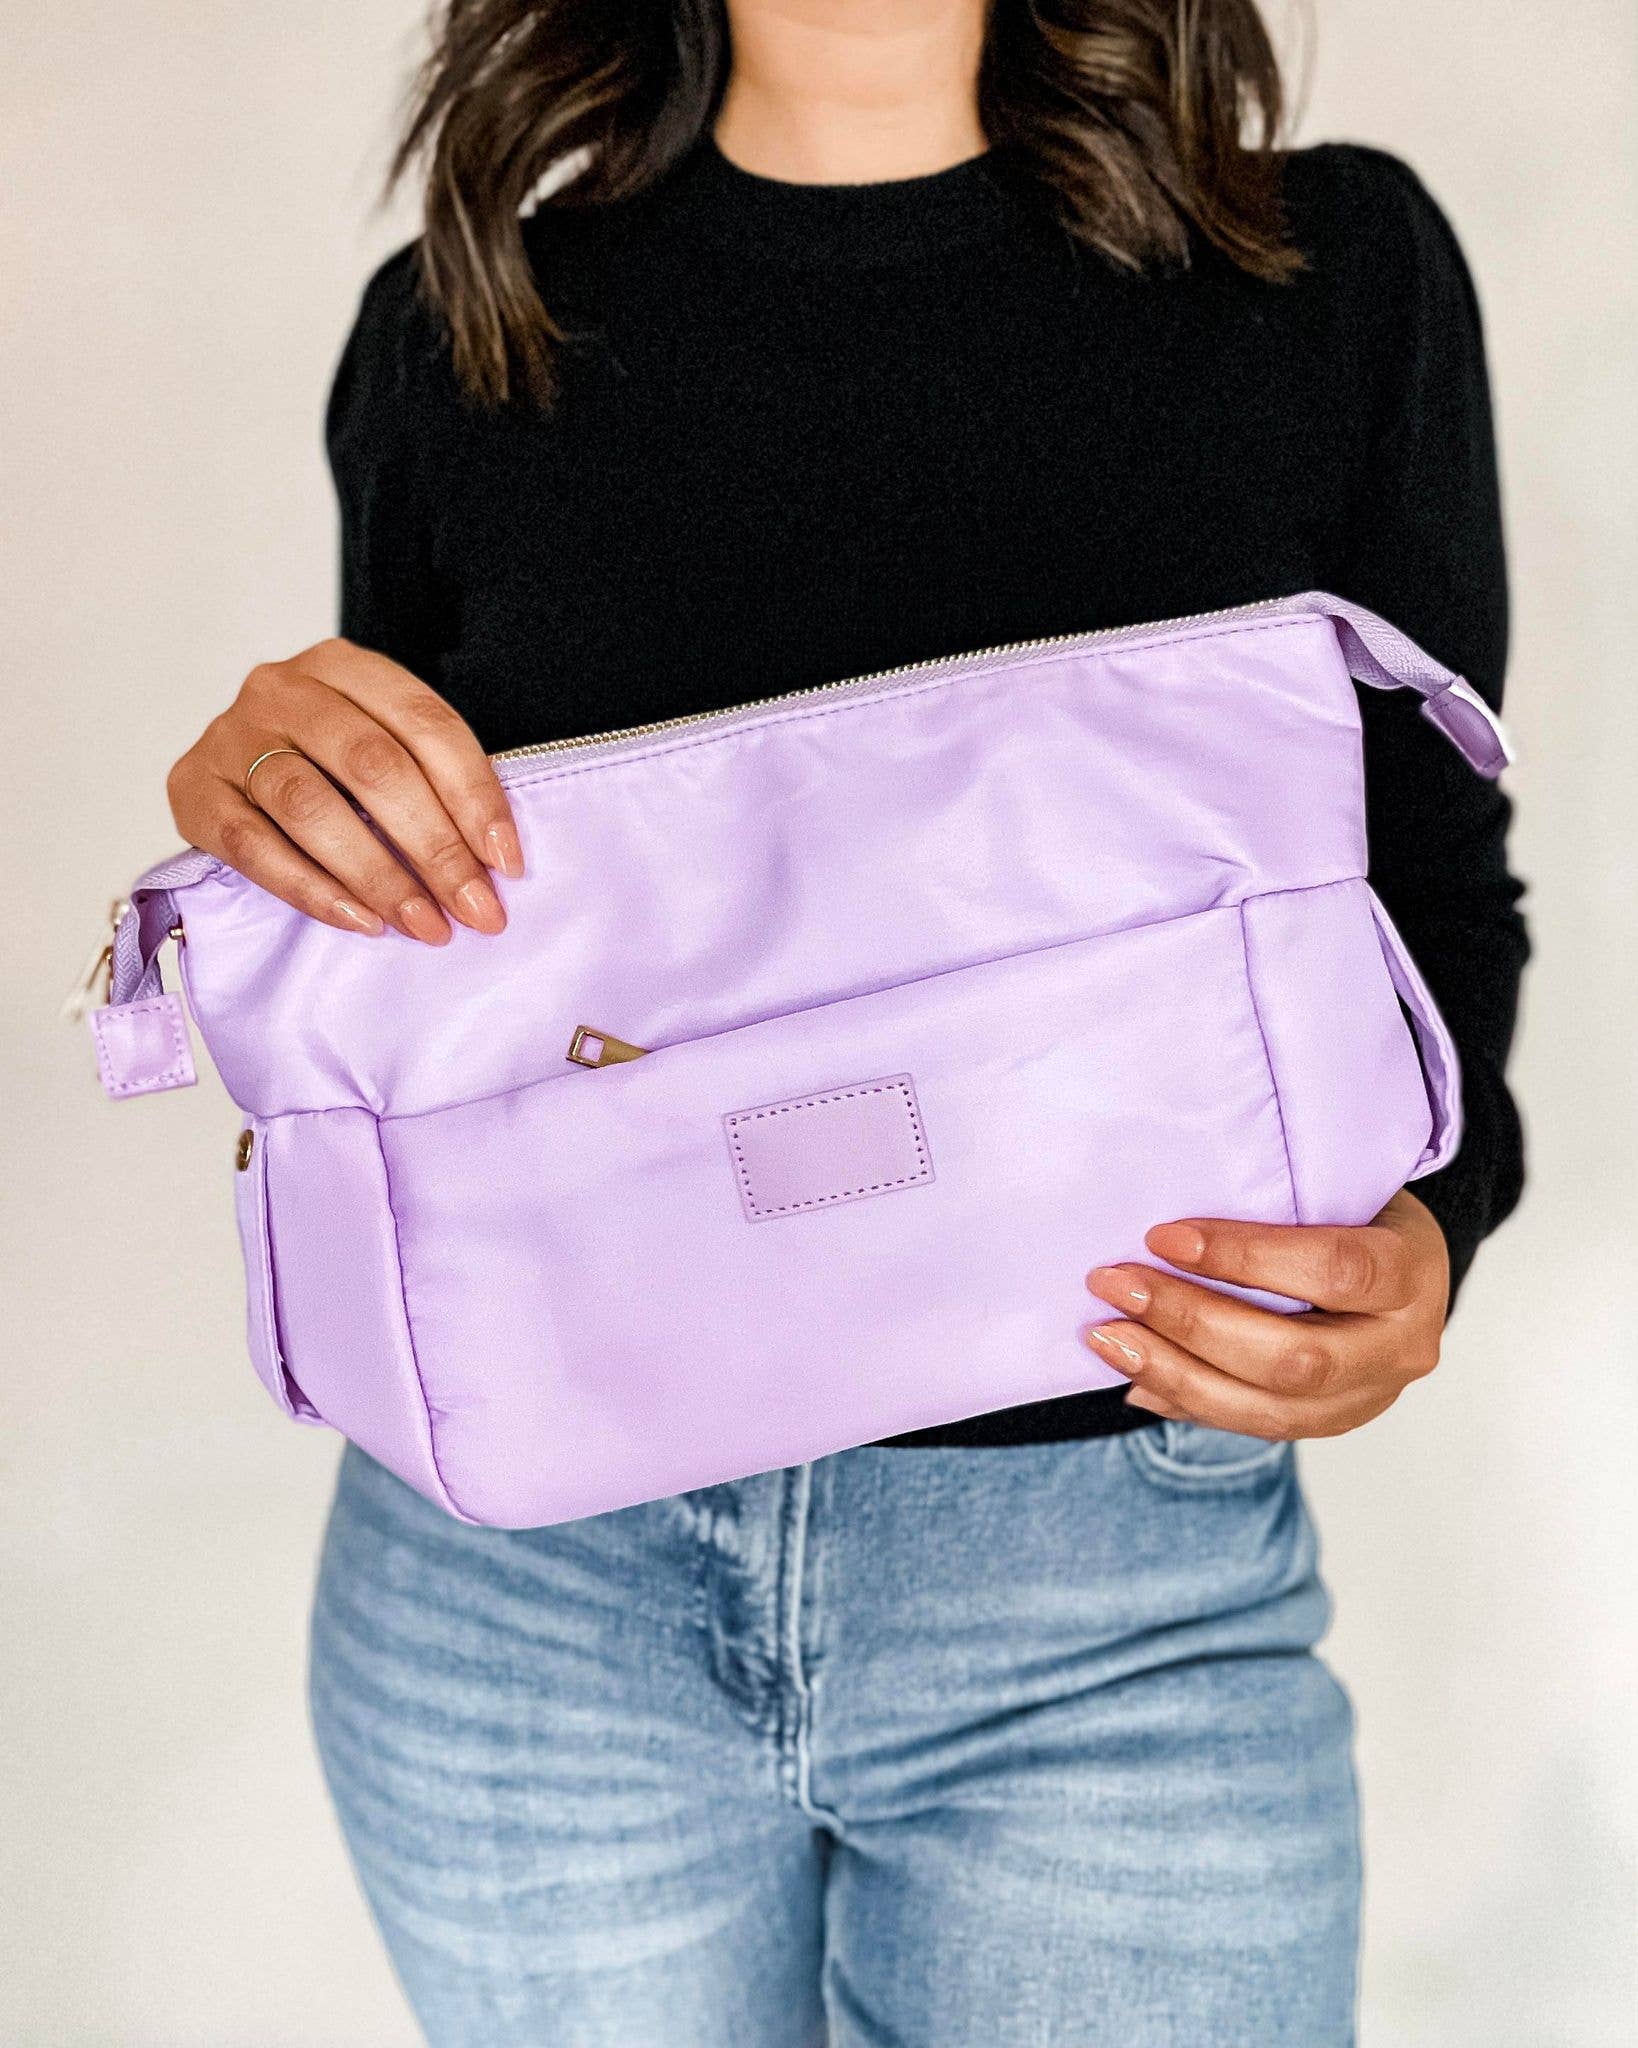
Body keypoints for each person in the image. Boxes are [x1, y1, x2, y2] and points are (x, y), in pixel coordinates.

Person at [163, 2, 1527, 2040]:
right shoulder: (462, 329)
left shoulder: (1327, 271)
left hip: (1109, 1589)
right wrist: (275, 800)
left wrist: (1433, 1230)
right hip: (522, 1616)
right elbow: (456, 977)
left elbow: (1435, 885)